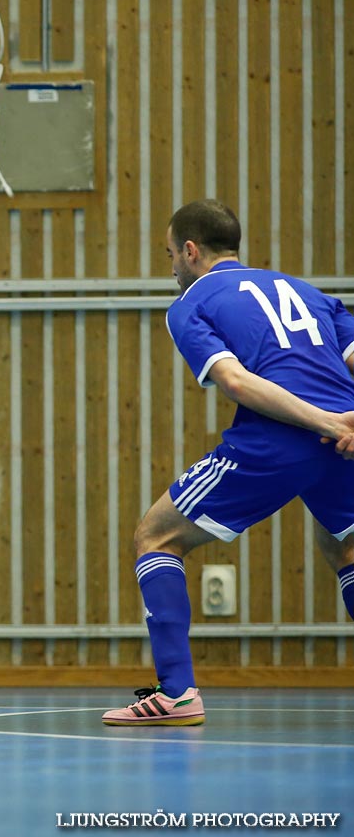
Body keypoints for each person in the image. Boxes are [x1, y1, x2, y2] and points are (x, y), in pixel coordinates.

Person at [103, 199, 354, 726]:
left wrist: (324, 423)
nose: (171, 265)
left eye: (171, 254)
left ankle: (176, 694)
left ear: (191, 251)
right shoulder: (305, 291)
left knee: (156, 537)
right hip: (346, 438)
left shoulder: (190, 304)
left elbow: (236, 382)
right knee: (345, 547)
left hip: (280, 440)